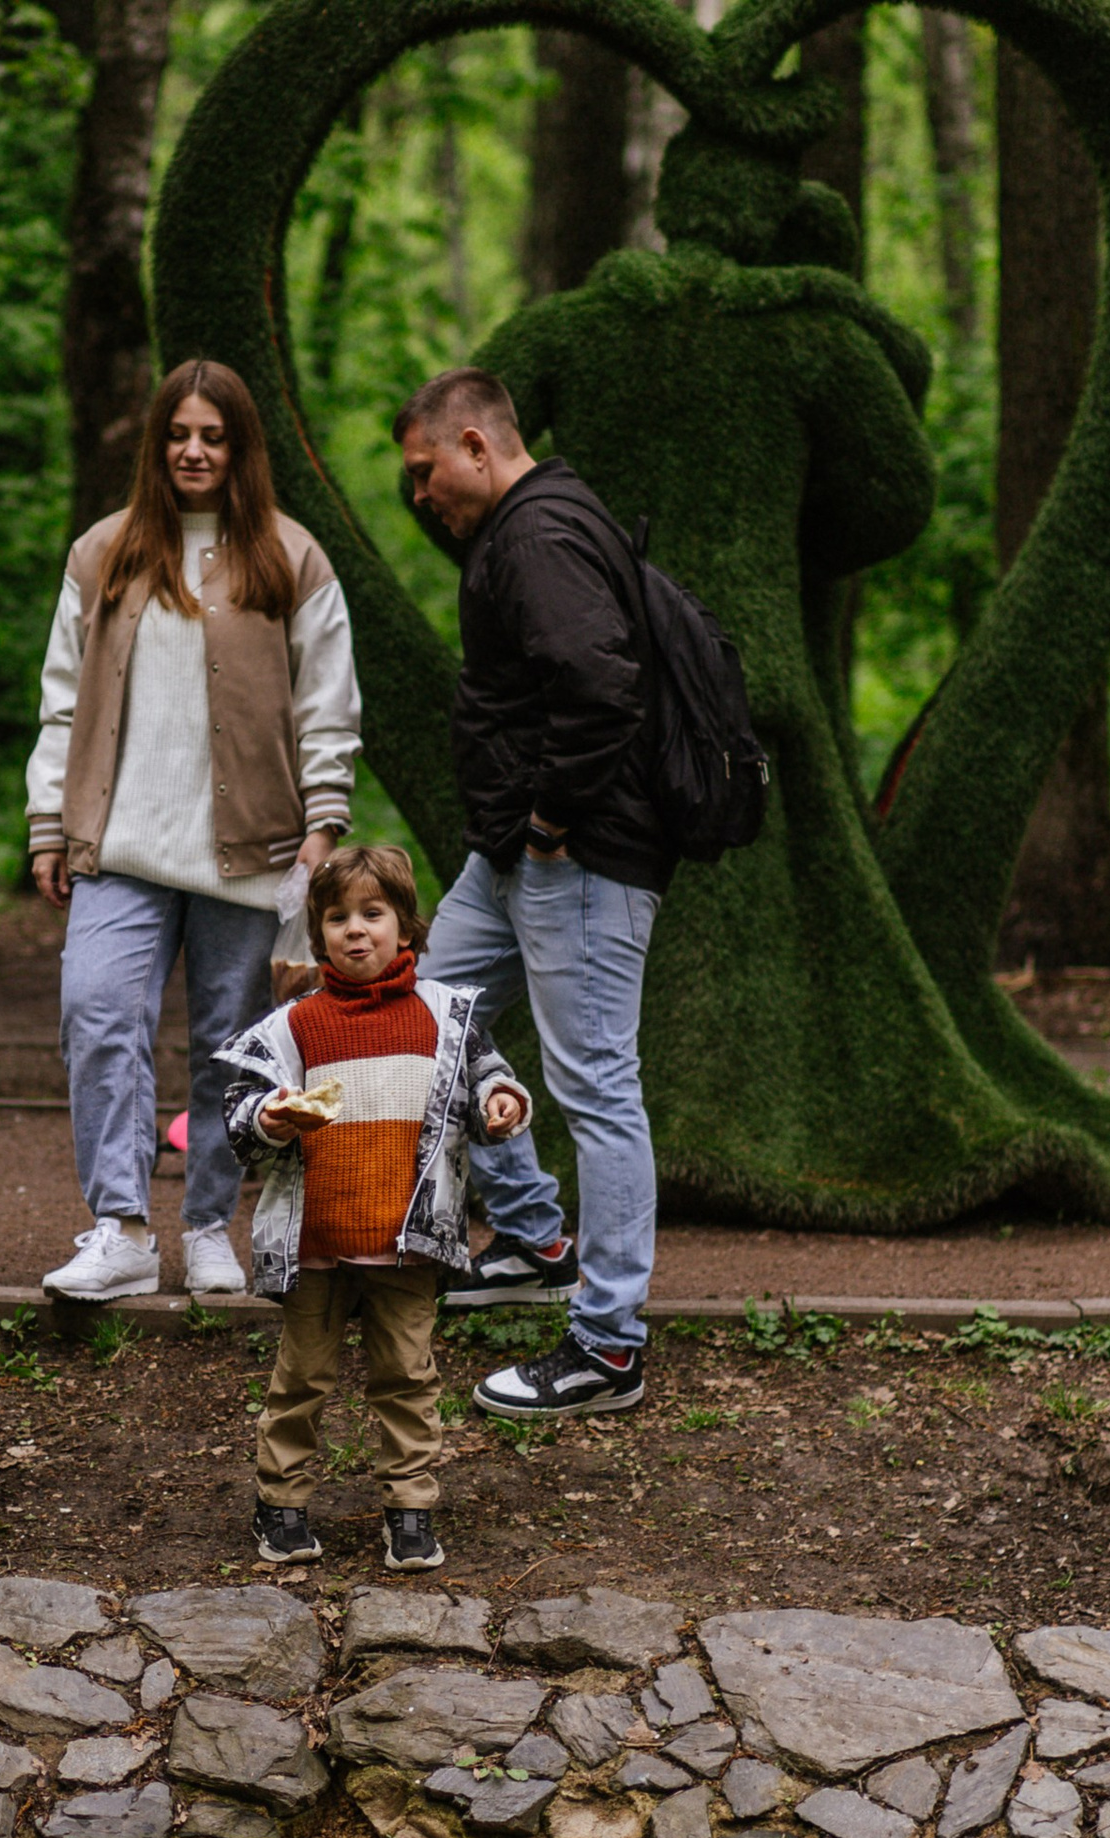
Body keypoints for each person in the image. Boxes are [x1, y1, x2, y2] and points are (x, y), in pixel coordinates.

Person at [28, 356, 362, 1303]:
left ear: (240, 448)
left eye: (213, 436)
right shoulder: (105, 553)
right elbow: (61, 700)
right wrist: (49, 822)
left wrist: (322, 822)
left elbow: (328, 703)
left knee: (234, 1040)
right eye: (179, 434)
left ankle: (211, 1223)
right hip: (119, 844)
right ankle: (122, 1226)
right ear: (156, 443)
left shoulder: (289, 556)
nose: (194, 450)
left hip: (252, 849)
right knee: (98, 1014)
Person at [396, 365, 662, 1419]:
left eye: (426, 472)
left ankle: (606, 1346)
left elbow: (601, 682)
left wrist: (552, 820)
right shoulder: (526, 528)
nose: (423, 497)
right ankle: (532, 1237)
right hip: (509, 856)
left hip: (577, 858)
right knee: (424, 1017)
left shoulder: (540, 533)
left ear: (474, 444)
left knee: (597, 1087)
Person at [219, 842, 530, 1569]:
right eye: (337, 917)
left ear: (406, 927)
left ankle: (411, 1508)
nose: (355, 930)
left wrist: (502, 1100)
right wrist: (271, 1117)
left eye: (373, 913)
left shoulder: (445, 1017)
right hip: (318, 1240)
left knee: (407, 1376)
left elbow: (486, 1079)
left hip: (406, 1241)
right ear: (318, 932)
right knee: (300, 1379)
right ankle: (282, 1503)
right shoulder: (294, 1027)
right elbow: (242, 1114)